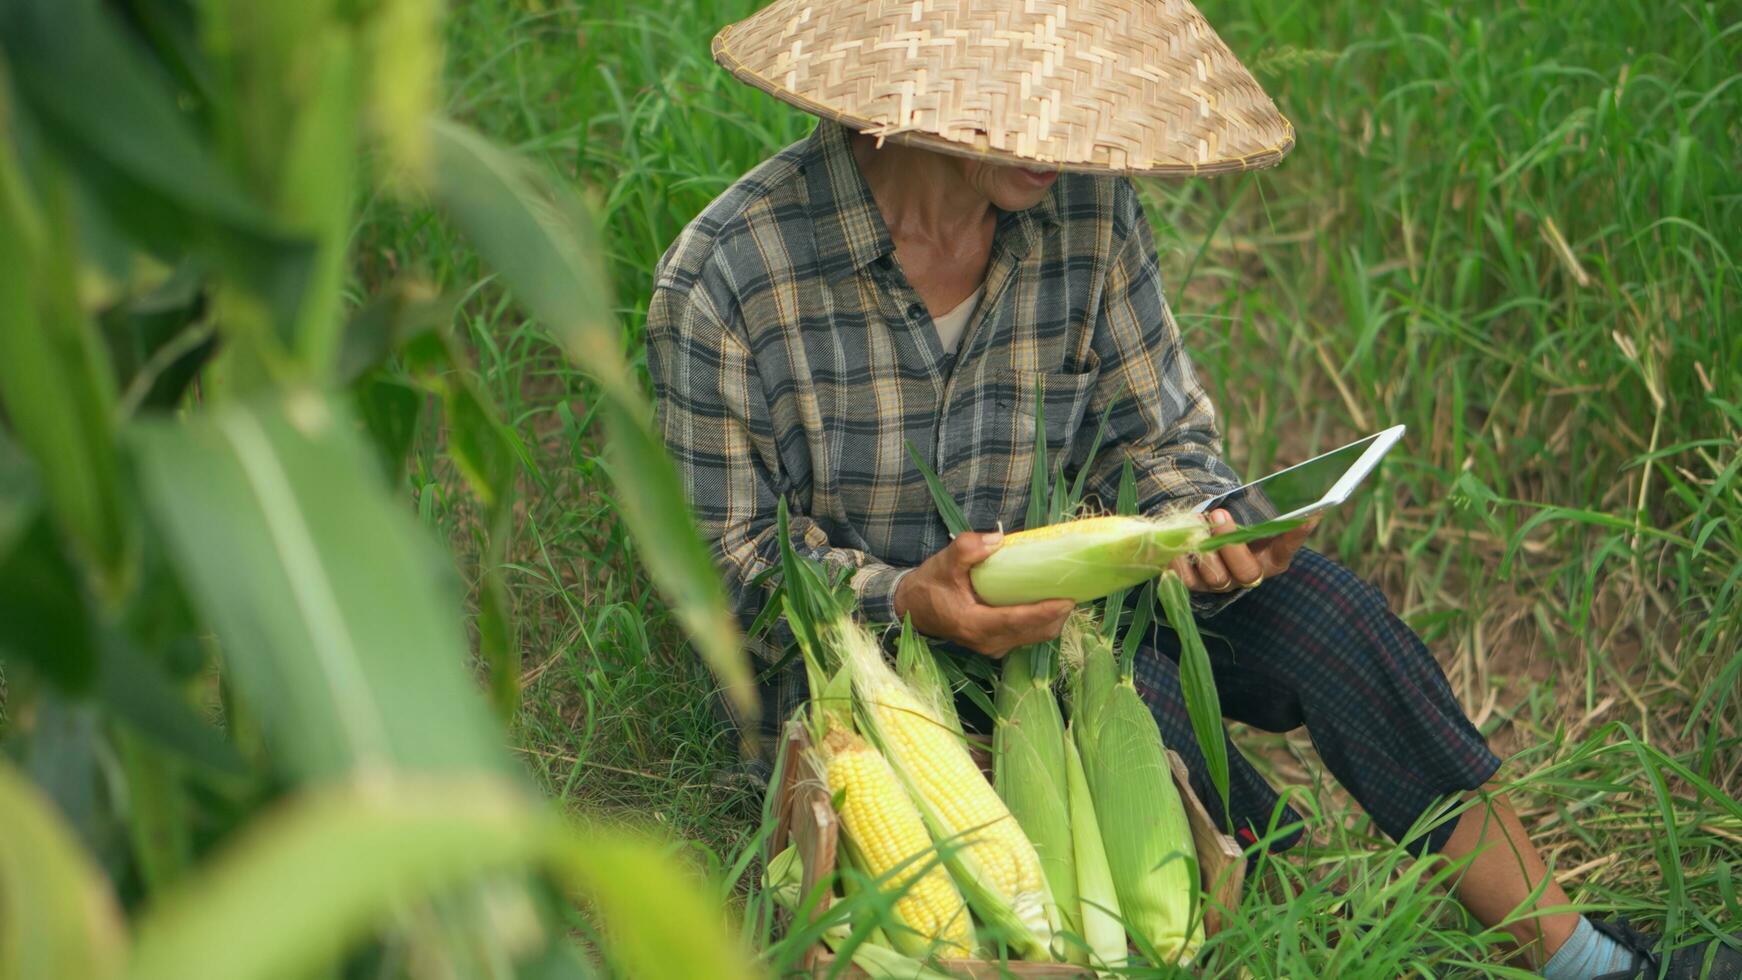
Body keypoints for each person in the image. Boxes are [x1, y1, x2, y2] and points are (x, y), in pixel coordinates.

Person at [646, 1, 1739, 976]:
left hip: (1073, 600)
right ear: (909, 89)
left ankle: (1585, 959)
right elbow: (729, 566)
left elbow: (1158, 434)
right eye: (1030, 108)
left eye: (1086, 103)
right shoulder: (733, 275)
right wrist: (908, 596)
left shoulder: (1082, 209)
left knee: (1326, 618)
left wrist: (1210, 517)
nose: (1071, 141)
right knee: (1153, 710)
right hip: (880, 675)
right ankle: (1309, 925)